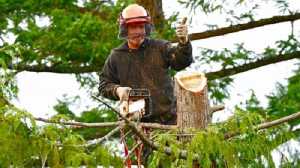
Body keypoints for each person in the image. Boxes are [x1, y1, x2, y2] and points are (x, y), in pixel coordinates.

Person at [98, 4, 193, 125]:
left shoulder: (160, 47)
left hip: (171, 120)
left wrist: (184, 42)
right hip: (139, 126)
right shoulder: (117, 56)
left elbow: (181, 61)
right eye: (133, 27)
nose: (138, 31)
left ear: (146, 27)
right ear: (125, 29)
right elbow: (104, 85)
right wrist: (118, 90)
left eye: (141, 26)